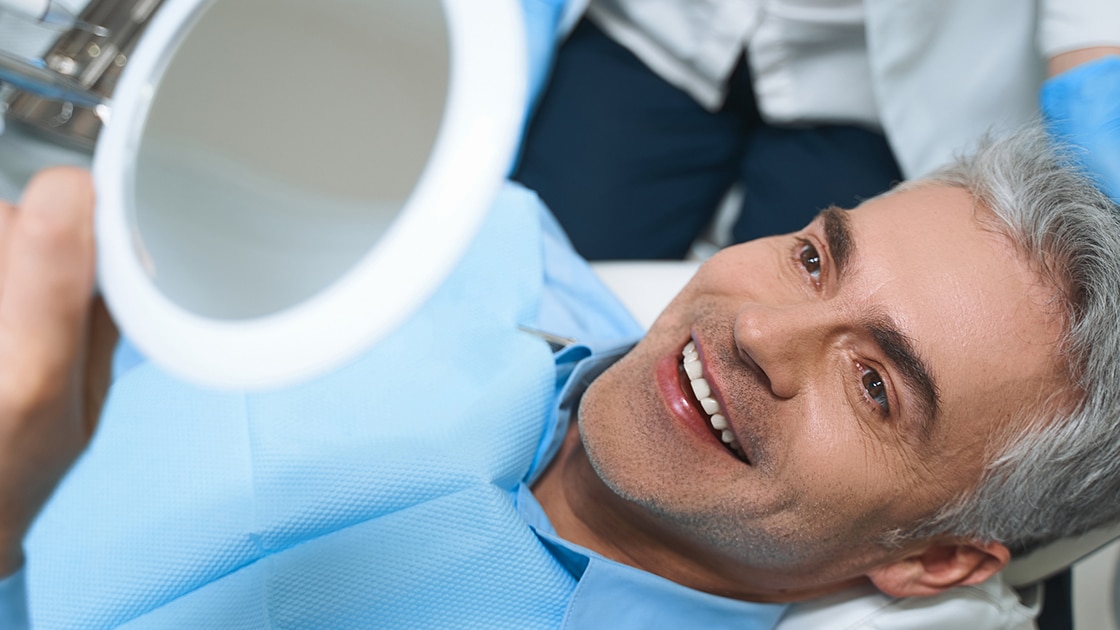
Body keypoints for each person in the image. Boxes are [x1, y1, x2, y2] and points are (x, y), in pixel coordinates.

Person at [1, 124, 1119, 627]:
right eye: (814, 257)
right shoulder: (468, 238)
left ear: (932, 561)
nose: (761, 335)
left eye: (875, 385)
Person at [514, 0, 1120, 260]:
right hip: (660, 30)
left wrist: (1095, 57)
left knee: (786, 356)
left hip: (875, 92)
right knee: (528, 278)